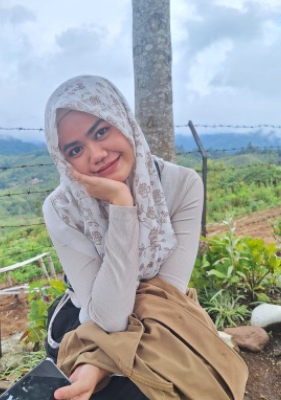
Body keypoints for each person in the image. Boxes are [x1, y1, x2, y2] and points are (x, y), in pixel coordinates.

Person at [42, 75, 248, 400]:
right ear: (63, 159)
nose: (96, 154)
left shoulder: (183, 185)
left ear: (123, 121)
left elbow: (167, 291)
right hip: (87, 324)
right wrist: (122, 206)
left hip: (163, 313)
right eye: (76, 149)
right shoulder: (62, 207)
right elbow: (108, 317)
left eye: (101, 131)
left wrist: (99, 362)